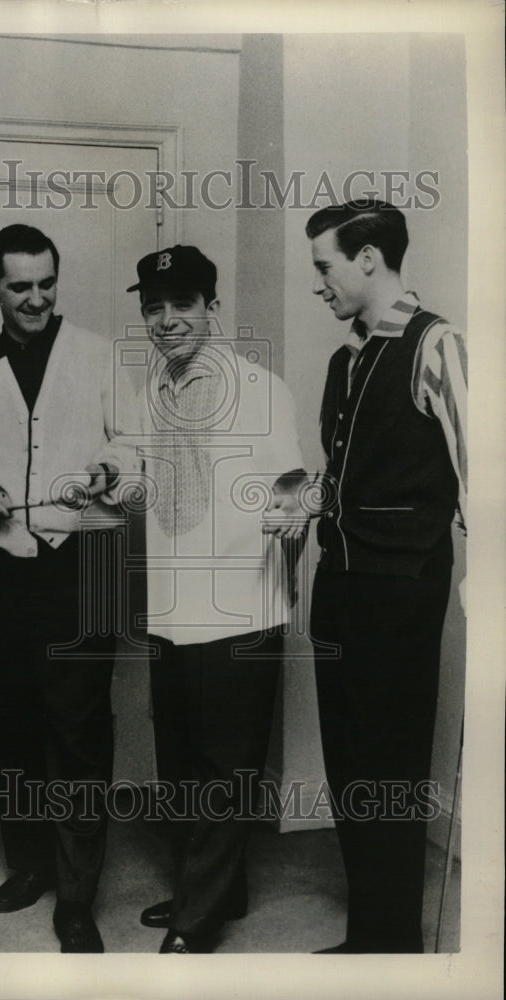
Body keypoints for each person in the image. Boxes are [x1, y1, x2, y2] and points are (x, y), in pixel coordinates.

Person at [0, 224, 139, 953]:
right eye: (19, 286)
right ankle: (28, 862)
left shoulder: (99, 357)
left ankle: (78, 895)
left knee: (79, 730)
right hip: (0, 566)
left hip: (86, 560)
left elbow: (134, 443)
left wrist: (109, 471)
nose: (36, 298)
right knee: (14, 722)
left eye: (47, 283)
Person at [128, 245, 308, 953]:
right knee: (179, 763)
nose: (168, 320)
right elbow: (156, 484)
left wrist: (277, 567)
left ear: (212, 308)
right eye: (154, 306)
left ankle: (197, 920)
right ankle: (216, 887)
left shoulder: (262, 388)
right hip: (173, 610)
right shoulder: (151, 390)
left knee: (223, 769)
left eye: (184, 305)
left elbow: (292, 492)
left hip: (240, 610)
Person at [305, 199, 467, 953]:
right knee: (350, 768)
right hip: (338, 588)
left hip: (400, 593)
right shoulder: (345, 358)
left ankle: (393, 942)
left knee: (390, 770)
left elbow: (484, 482)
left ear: (368, 258)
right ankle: (370, 933)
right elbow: (344, 473)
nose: (319, 283)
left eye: (325, 266)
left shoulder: (437, 345)